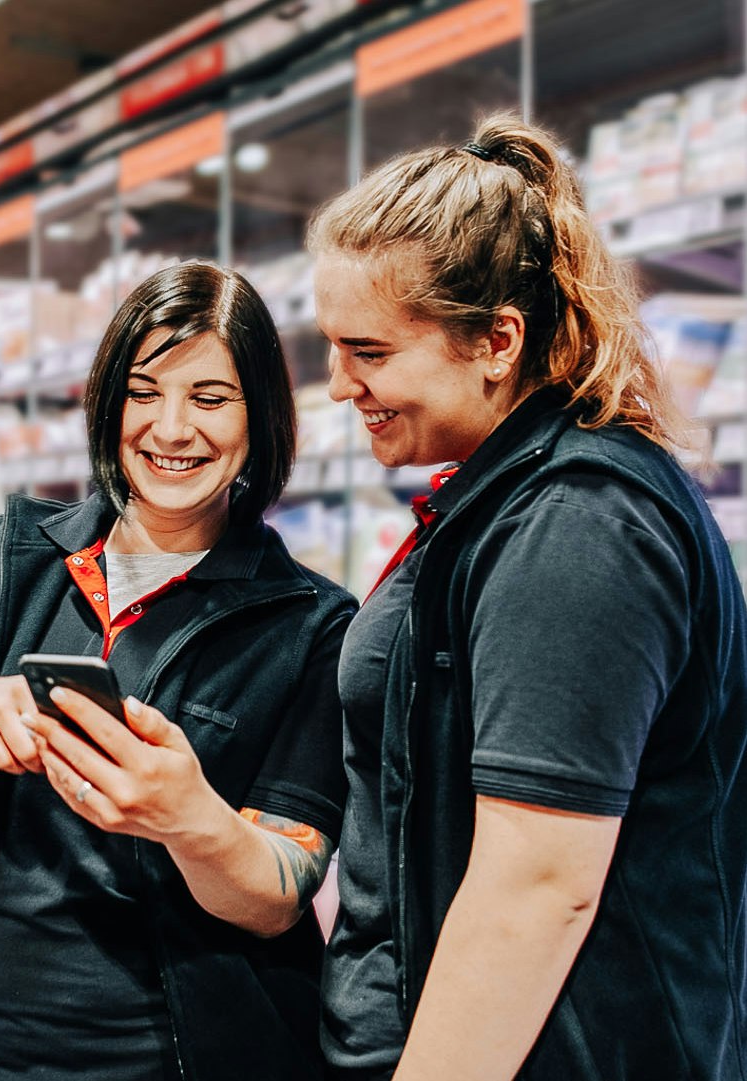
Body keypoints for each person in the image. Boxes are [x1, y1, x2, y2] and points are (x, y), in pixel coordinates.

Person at [311, 114, 747, 1081]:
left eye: (368, 352)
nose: (340, 384)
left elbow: (536, 887)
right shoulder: (503, 496)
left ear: (495, 340)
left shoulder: (576, 524)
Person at [0, 261, 357, 1081]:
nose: (171, 428)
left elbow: (278, 892)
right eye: (144, 391)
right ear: (108, 402)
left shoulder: (309, 623)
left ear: (258, 419)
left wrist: (187, 817)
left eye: (209, 398)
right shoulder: (12, 558)